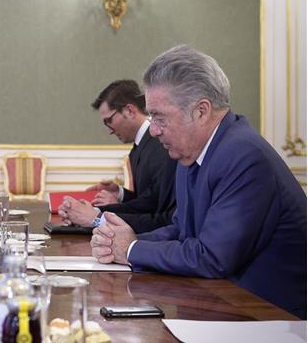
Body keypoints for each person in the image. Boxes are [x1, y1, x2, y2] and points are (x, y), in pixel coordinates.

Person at [91, 45, 306, 318]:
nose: (153, 130)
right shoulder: (191, 152)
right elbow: (182, 229)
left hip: (271, 318)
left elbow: (212, 257)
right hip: (223, 305)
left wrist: (132, 249)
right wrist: (120, 241)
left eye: (160, 118)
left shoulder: (244, 155)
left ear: (201, 111)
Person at [59, 79, 176, 233]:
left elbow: (159, 214)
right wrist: (120, 194)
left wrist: (96, 217)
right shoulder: (141, 146)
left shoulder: (160, 145)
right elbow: (149, 200)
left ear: (130, 111)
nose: (109, 130)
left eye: (109, 121)